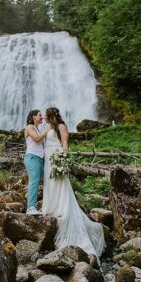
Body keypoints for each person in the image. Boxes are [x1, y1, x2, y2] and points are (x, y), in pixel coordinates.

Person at [42, 107, 106, 261]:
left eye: (45, 114)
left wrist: (62, 160)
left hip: (56, 157)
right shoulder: (48, 127)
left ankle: (61, 209)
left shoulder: (61, 126)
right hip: (48, 159)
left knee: (60, 183)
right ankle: (50, 207)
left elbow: (65, 143)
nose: (44, 116)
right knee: (50, 183)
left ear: (51, 115)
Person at [24, 109, 49, 215]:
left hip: (39, 158)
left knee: (39, 182)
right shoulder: (29, 127)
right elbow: (37, 138)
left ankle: (43, 206)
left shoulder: (38, 129)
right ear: (33, 116)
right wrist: (47, 130)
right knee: (34, 181)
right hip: (32, 157)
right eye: (39, 115)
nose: (42, 117)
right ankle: (31, 207)